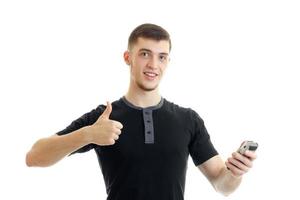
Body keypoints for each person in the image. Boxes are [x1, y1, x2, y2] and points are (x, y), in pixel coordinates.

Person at [26, 23, 257, 199]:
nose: (153, 65)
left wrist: (235, 173)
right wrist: (88, 135)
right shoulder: (104, 117)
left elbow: (222, 184)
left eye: (161, 57)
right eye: (145, 54)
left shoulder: (188, 120)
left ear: (168, 62)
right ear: (128, 58)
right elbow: (34, 157)